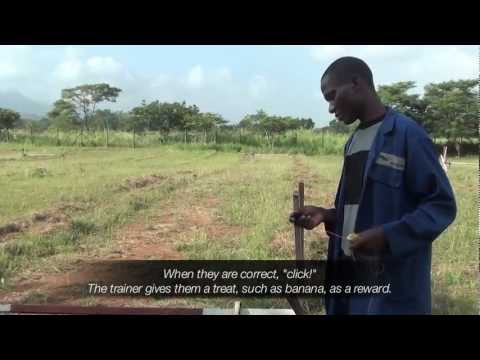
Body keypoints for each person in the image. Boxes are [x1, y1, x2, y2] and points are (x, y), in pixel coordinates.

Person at [289, 56, 457, 315]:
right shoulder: (354, 141)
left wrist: (388, 237)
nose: (331, 108)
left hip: (390, 281)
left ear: (356, 83)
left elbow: (441, 206)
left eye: (332, 96)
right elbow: (358, 206)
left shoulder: (407, 135)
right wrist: (327, 214)